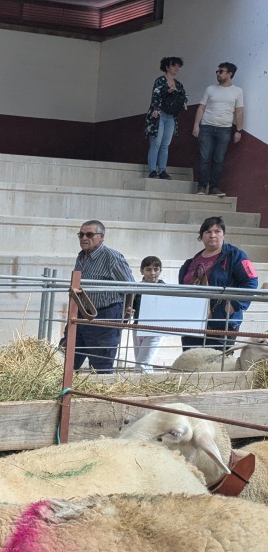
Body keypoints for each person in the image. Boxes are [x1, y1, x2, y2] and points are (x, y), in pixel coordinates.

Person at [177, 216, 259, 350]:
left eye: (217, 231)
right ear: (201, 236)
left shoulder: (236, 256)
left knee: (215, 364)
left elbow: (250, 281)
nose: (212, 235)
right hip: (193, 322)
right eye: (208, 232)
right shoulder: (190, 263)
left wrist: (235, 304)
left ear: (224, 234)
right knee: (190, 362)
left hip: (222, 323)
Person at [71, 220, 135, 373]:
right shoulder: (81, 257)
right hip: (80, 315)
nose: (84, 238)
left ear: (101, 237)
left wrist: (126, 311)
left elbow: (131, 286)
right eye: (81, 235)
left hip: (105, 316)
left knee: (101, 365)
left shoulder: (112, 257)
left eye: (90, 234)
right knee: (67, 357)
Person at [193, 62, 244, 197]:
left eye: (221, 71)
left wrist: (239, 130)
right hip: (206, 127)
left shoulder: (238, 91)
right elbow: (201, 107)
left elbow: (239, 111)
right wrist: (196, 125)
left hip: (225, 129)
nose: (217, 73)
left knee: (219, 159)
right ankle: (201, 187)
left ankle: (214, 187)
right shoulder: (210, 89)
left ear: (229, 74)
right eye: (217, 71)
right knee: (204, 158)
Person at [145, 57, 187, 180]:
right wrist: (167, 92)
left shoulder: (179, 84)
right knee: (156, 143)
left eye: (179, 66)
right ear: (167, 67)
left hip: (171, 116)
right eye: (174, 65)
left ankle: (162, 170)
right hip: (160, 114)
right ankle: (153, 170)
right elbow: (156, 96)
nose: (177, 68)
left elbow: (184, 97)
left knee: (165, 144)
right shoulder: (160, 81)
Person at [125, 256, 165, 373]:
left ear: (160, 271)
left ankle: (142, 385)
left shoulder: (165, 287)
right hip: (138, 327)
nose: (152, 273)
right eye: (148, 269)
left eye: (156, 269)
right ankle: (146, 383)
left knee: (142, 363)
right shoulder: (136, 287)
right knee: (141, 360)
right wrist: (129, 309)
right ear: (141, 271)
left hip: (155, 329)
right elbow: (129, 305)